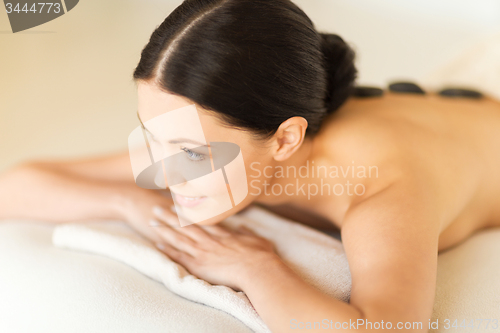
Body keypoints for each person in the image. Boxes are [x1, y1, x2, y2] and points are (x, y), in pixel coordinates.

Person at [1, 0, 500, 331]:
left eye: (193, 154)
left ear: (286, 138)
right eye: (150, 137)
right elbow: (13, 187)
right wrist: (128, 202)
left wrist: (256, 269)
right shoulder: (209, 133)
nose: (164, 173)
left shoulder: (380, 191)